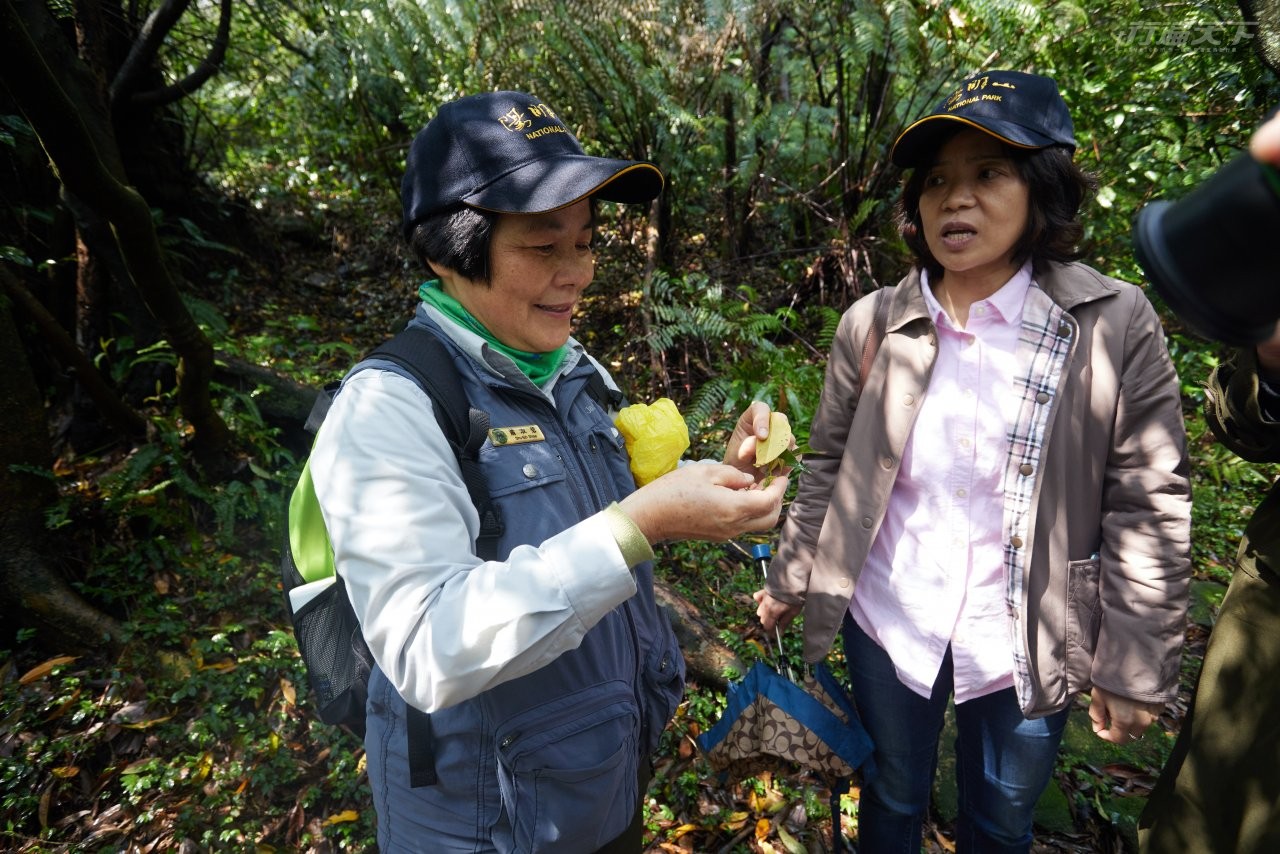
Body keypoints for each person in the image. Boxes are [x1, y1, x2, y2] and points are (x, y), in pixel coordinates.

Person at [307, 90, 790, 853]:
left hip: (598, 790)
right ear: (446, 250)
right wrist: (645, 522)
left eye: (587, 242)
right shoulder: (389, 412)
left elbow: (594, 521)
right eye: (543, 247)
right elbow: (428, 646)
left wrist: (711, 484)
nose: (578, 274)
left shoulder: (573, 372)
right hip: (483, 826)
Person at [753, 70, 1192, 853]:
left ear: (1042, 188)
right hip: (889, 616)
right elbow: (828, 464)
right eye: (937, 181)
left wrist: (1133, 664)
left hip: (1026, 630)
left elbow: (1147, 495)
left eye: (989, 173)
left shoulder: (1109, 322)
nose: (956, 199)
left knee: (1002, 817)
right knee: (891, 788)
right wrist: (792, 574)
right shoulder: (875, 324)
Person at [1138, 109, 1280, 854]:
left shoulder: (1113, 317)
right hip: (1269, 648)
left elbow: (1146, 490)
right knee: (1202, 821)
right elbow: (1241, 419)